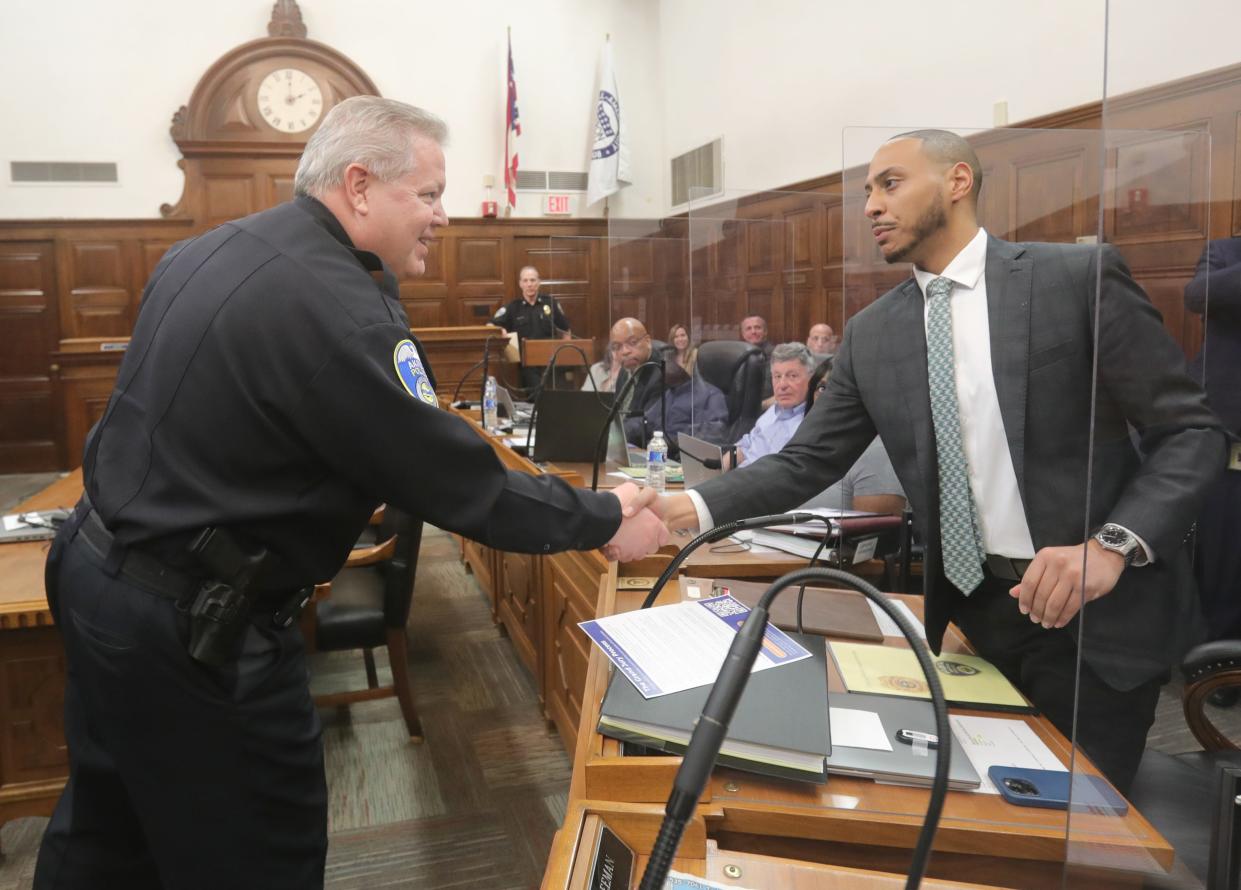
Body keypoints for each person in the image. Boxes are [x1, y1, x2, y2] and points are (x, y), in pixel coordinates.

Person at [33, 97, 666, 890]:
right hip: (196, 629)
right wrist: (602, 515)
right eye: (430, 194)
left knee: (106, 828)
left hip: (98, 577)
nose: (443, 217)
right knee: (261, 854)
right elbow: (454, 481)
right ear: (360, 185)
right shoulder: (341, 307)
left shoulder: (208, 249)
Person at [658, 129, 1225, 792]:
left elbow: (1190, 431)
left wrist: (1110, 545)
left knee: (1076, 834)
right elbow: (806, 459)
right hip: (978, 619)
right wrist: (687, 505)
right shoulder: (873, 333)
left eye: (889, 183)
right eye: (865, 191)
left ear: (957, 182)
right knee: (982, 820)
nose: (870, 205)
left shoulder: (1073, 280)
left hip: (1096, 625)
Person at [733, 347, 904, 514]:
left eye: (838, 389)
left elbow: (873, 537)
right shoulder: (806, 440)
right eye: (822, 388)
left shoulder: (876, 452)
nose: (828, 397)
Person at [1184, 238, 1241, 704]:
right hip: (1229, 453)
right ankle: (1217, 675)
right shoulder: (1226, 251)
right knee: (1220, 572)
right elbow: (1198, 294)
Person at [489, 265, 572, 394]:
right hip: (527, 365)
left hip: (551, 363)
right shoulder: (513, 307)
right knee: (537, 394)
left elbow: (566, 330)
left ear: (539, 283)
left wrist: (566, 356)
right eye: (526, 281)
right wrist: (501, 330)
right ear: (520, 284)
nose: (529, 284)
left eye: (533, 280)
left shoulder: (550, 303)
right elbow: (490, 325)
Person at [624, 355, 729, 449]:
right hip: (659, 453)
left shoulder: (711, 395)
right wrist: (622, 432)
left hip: (683, 457)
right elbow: (646, 420)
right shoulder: (669, 394)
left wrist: (675, 440)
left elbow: (715, 432)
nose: (666, 368)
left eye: (672, 362)